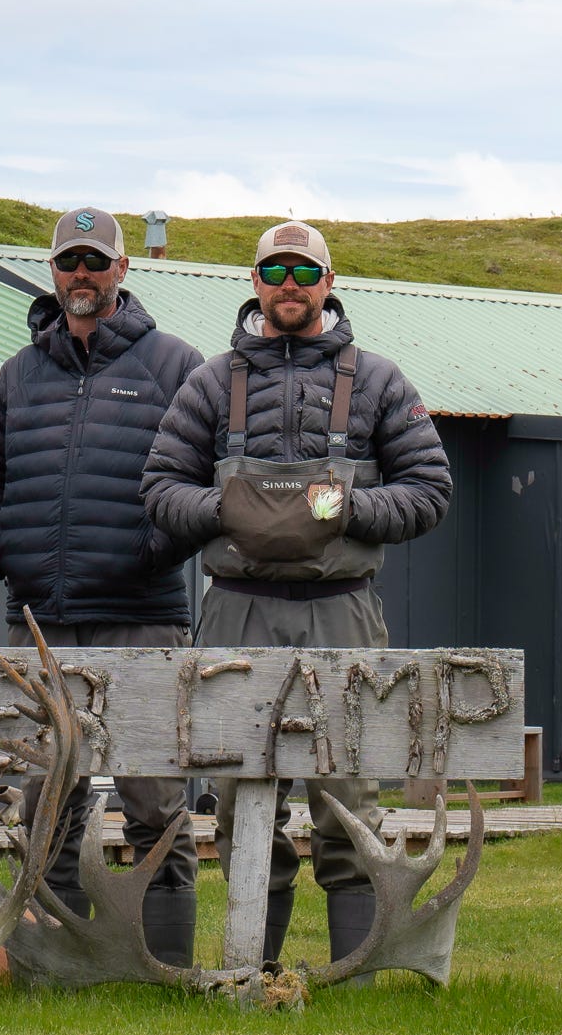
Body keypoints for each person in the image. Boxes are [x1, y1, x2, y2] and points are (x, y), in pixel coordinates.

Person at [141, 219, 451, 968]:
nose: (289, 287)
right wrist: (224, 510)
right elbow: (158, 489)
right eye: (274, 273)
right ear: (253, 283)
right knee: (241, 800)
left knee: (347, 797)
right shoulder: (212, 382)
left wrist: (350, 510)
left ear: (329, 283)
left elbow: (431, 488)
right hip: (236, 608)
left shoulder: (377, 380)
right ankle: (254, 967)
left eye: (302, 274)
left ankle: (356, 975)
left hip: (342, 607)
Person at [0, 207, 207, 966]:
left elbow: (200, 484)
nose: (82, 276)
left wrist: (151, 548)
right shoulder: (18, 375)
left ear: (123, 271)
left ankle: (161, 968)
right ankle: (54, 961)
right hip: (42, 620)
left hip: (142, 616)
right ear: (52, 271)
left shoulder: (176, 366)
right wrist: (0, 548)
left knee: (155, 800)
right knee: (45, 800)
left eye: (96, 262)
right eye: (69, 261)